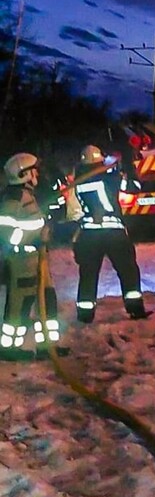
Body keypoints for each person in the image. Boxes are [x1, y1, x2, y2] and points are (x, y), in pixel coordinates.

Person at [72, 145, 148, 322]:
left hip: (89, 234)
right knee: (128, 270)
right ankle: (135, 309)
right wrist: (128, 166)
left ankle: (85, 315)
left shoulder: (80, 179)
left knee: (88, 275)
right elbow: (133, 187)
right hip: (113, 233)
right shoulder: (109, 178)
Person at [0, 152, 61, 360]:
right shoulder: (13, 199)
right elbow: (8, 235)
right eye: (34, 170)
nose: (38, 174)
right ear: (24, 174)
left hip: (37, 258)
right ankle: (9, 348)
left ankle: (48, 346)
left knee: (47, 300)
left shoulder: (27, 196)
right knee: (20, 306)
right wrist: (33, 239)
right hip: (21, 261)